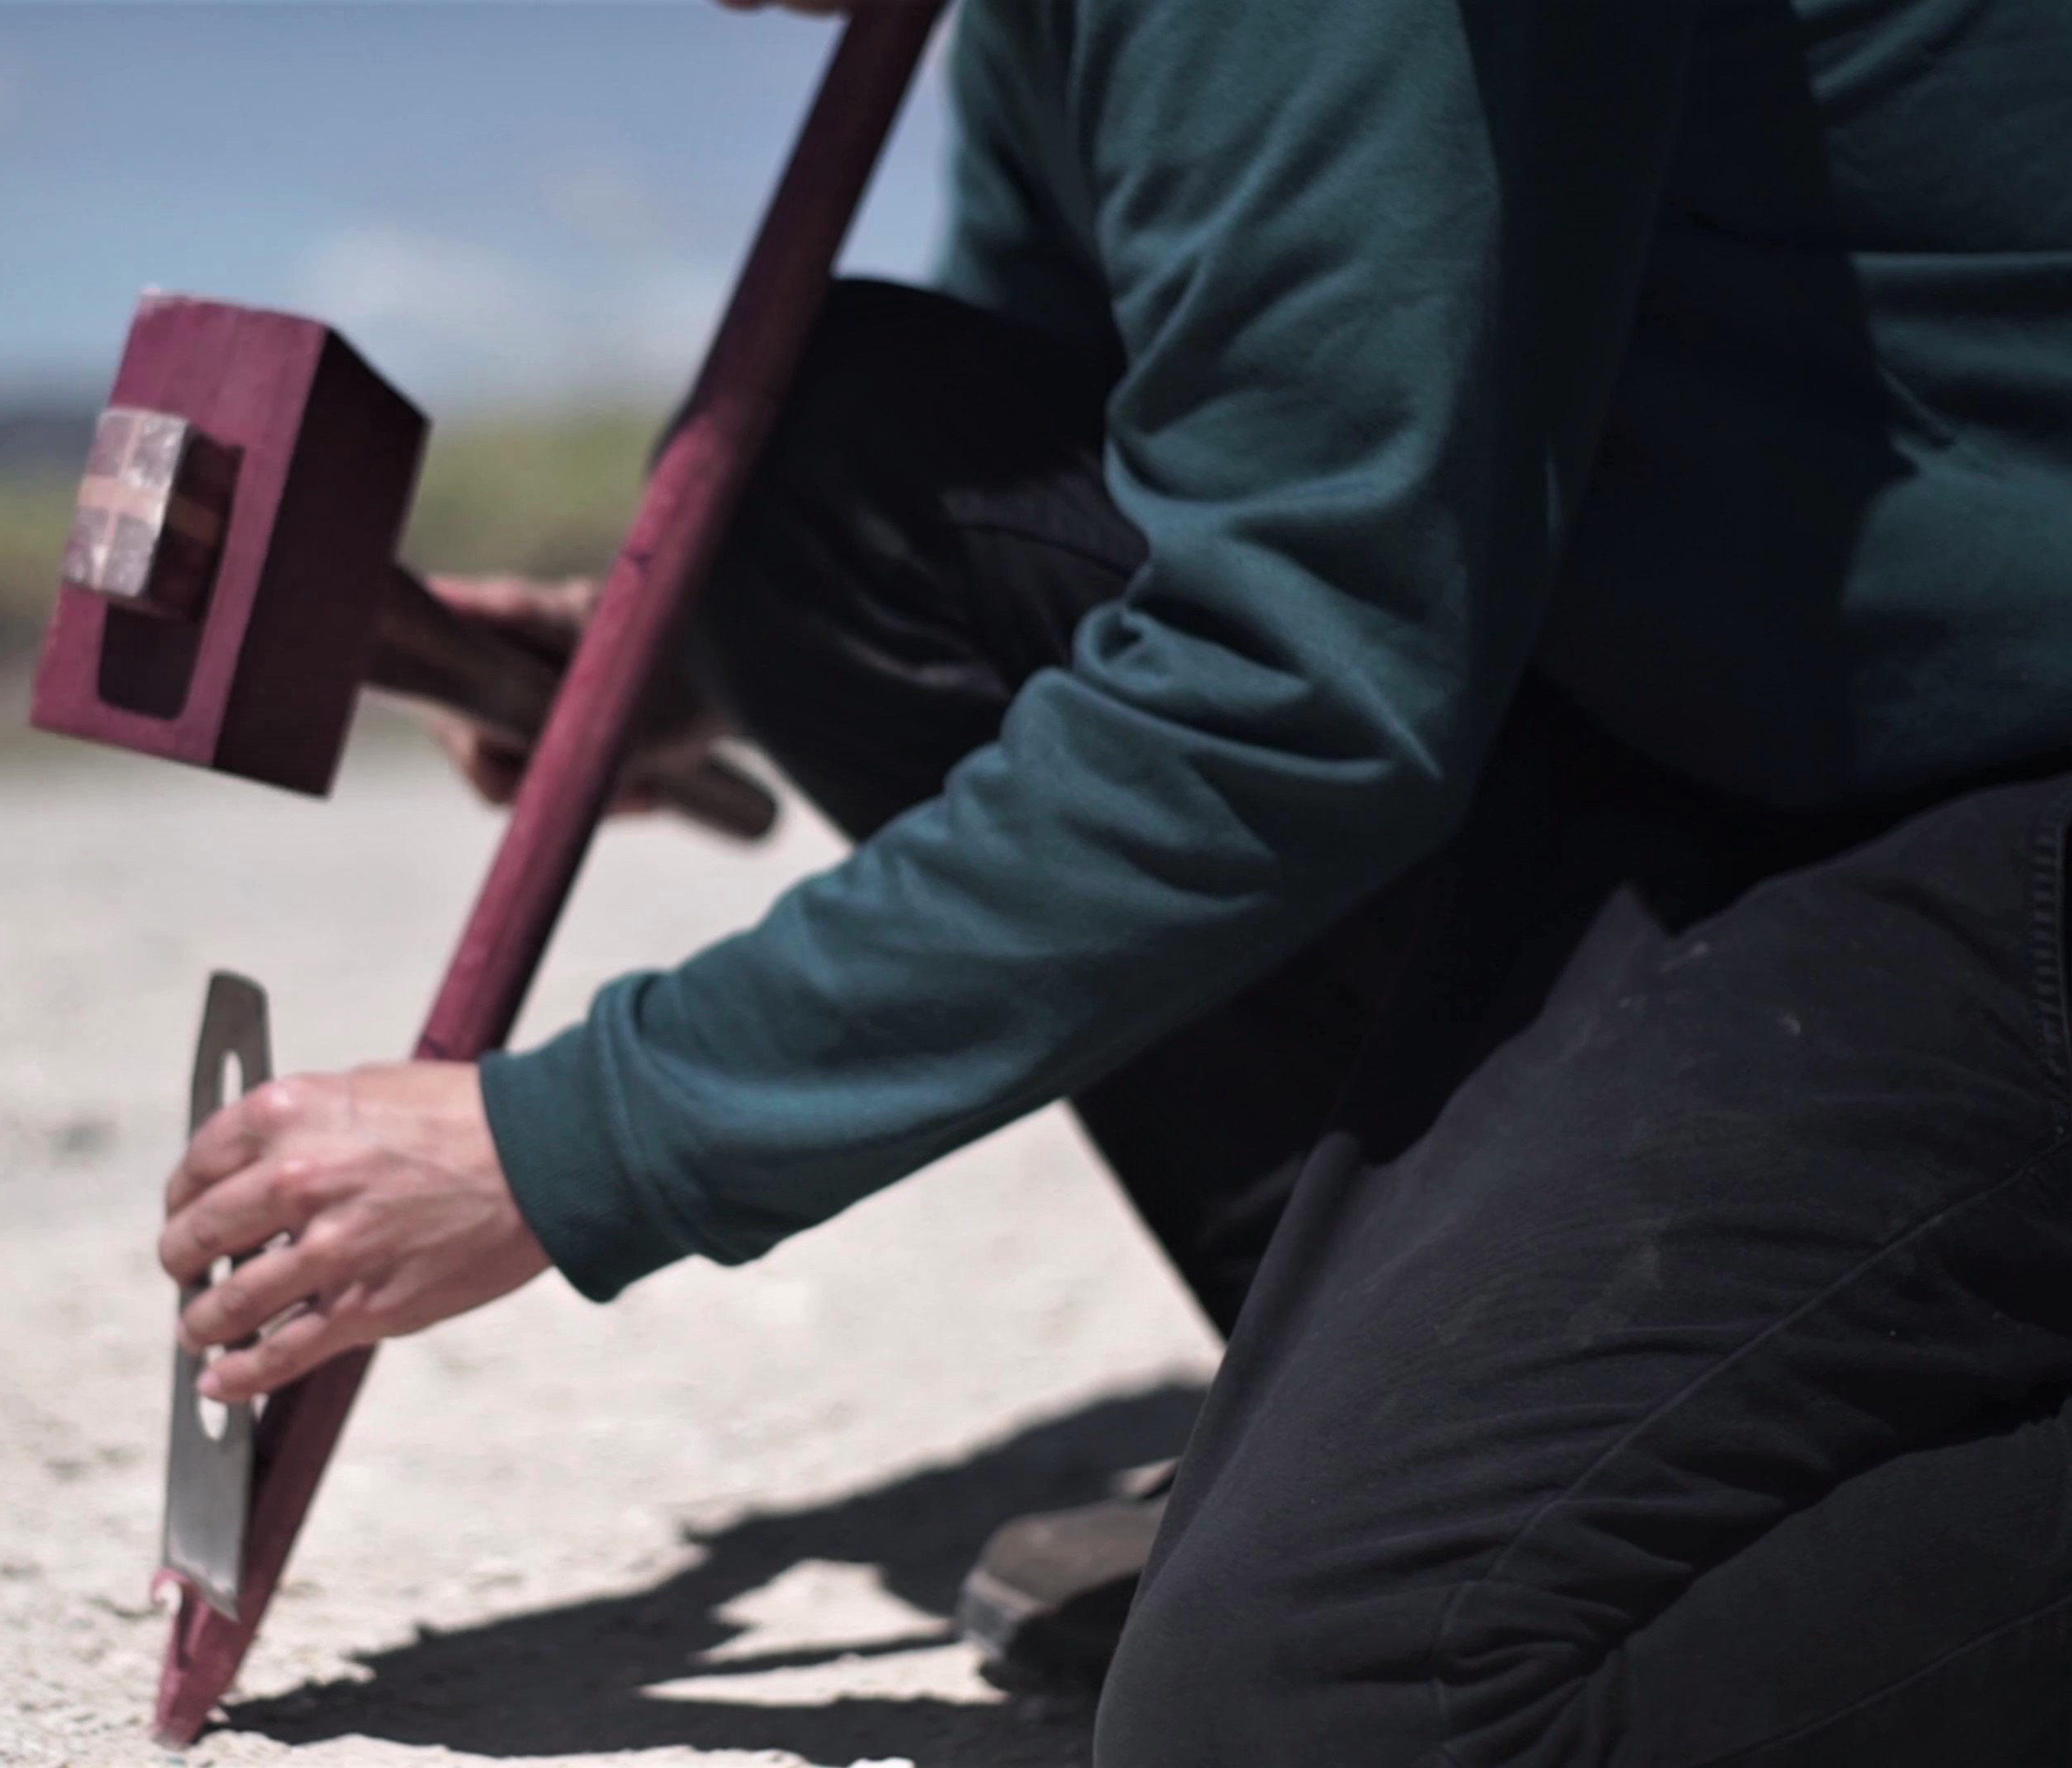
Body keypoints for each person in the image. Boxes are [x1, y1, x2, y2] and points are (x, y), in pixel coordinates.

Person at [157, 0, 2072, 1758]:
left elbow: (1285, 680)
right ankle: (1493, 1409)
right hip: (1705, 734)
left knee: (1330, 1718)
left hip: (1991, 780)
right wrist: (659, 664)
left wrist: (569, 1140)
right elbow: (1146, 477)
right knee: (817, 480)